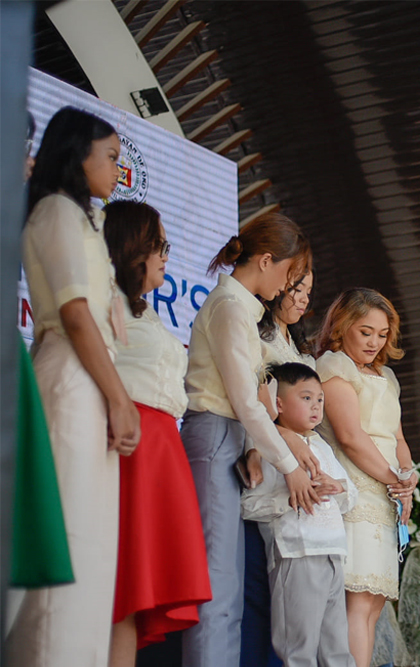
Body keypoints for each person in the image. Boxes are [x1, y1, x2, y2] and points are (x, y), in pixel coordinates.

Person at [9, 107, 142, 667]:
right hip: (70, 382)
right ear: (76, 153)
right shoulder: (56, 211)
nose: (118, 169)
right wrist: (119, 399)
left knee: (91, 552)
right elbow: (76, 314)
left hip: (91, 385)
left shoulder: (81, 217)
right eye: (111, 157)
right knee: (65, 548)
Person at [181, 213, 319, 667]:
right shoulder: (230, 306)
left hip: (232, 439)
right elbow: (245, 401)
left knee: (230, 590)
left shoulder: (242, 307)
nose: (286, 287)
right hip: (216, 431)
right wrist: (290, 466)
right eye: (288, 274)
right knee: (216, 589)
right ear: (265, 261)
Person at [103, 201, 212, 666]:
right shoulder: (101, 298)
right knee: (115, 587)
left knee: (132, 595)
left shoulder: (146, 313)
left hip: (162, 447)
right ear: (133, 248)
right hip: (127, 448)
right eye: (159, 245)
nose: (166, 255)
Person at [313, 287, 417, 667]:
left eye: (382, 333)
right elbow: (350, 437)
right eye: (365, 331)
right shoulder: (333, 366)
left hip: (387, 494)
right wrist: (394, 479)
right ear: (343, 327)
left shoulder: (387, 375)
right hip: (356, 491)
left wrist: (407, 479)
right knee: (356, 601)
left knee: (373, 603)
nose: (375, 341)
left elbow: (399, 437)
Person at [241, 362, 358, 667]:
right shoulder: (270, 448)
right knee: (298, 649)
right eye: (306, 398)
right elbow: (248, 505)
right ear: (278, 403)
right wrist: (292, 496)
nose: (316, 406)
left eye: (319, 399)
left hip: (333, 552)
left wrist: (336, 487)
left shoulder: (321, 445)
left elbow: (350, 496)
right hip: (297, 553)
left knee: (337, 649)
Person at [242, 269, 316, 667]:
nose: (303, 298)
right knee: (264, 579)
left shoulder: (299, 346)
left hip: (302, 465)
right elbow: (254, 400)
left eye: (308, 291)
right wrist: (282, 440)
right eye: (296, 289)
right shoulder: (256, 334)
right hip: (269, 459)